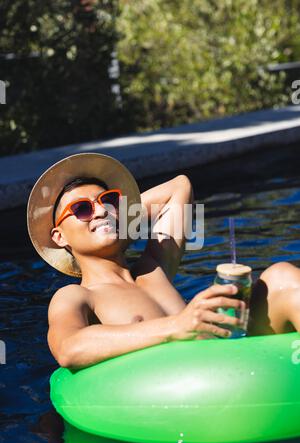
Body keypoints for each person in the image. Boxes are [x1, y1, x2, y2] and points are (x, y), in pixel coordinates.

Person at [27, 152, 300, 369]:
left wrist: (121, 217)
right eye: (82, 209)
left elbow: (179, 187)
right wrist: (178, 325)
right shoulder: (76, 296)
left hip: (225, 361)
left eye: (108, 201)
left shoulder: (153, 269)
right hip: (180, 393)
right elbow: (69, 348)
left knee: (282, 275)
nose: (99, 210)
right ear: (59, 237)